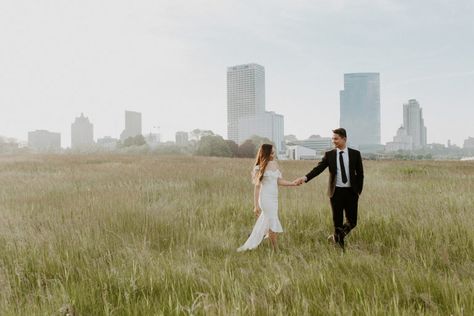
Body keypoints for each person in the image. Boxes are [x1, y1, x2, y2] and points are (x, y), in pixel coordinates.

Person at [293, 128, 364, 250]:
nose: (333, 141)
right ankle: (341, 249)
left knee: (352, 222)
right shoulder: (329, 155)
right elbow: (318, 169)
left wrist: (358, 191)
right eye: (332, 138)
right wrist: (304, 178)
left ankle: (337, 237)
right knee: (337, 222)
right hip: (335, 192)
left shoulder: (355, 154)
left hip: (351, 192)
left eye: (336, 138)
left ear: (344, 139)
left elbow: (360, 174)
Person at [237, 144, 298, 252]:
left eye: (274, 152)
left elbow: (279, 181)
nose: (274, 155)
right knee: (272, 221)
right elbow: (257, 188)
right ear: (266, 153)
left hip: (274, 198)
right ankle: (276, 249)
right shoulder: (258, 167)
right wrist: (256, 205)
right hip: (265, 198)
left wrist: (292, 183)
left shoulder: (275, 164)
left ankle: (259, 238)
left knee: (268, 222)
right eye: (272, 153)